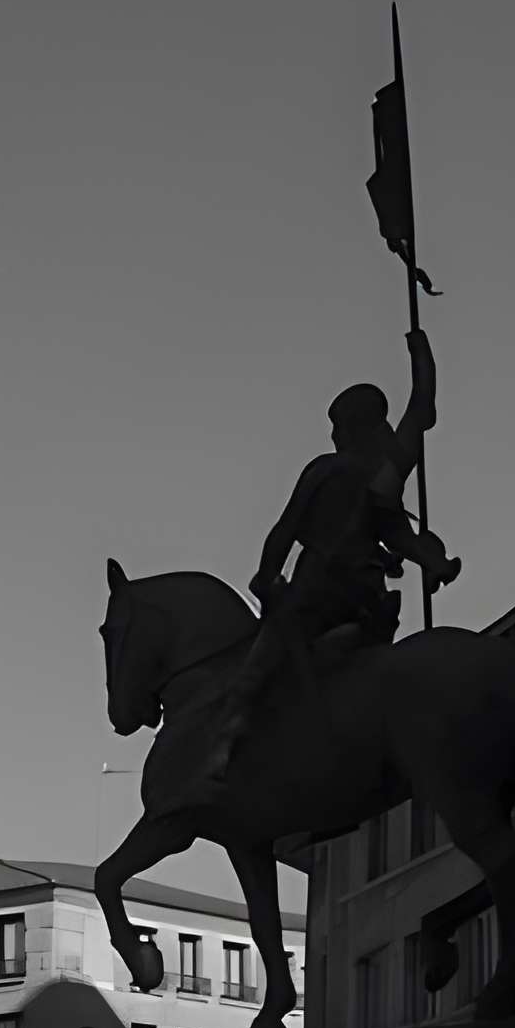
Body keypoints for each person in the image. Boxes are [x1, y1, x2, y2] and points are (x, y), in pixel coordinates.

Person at [186, 329, 456, 804]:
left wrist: (266, 575)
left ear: (352, 428)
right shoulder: (385, 473)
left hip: (318, 595)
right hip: (370, 603)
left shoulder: (327, 469)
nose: (333, 435)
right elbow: (421, 415)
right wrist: (421, 356)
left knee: (256, 666)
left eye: (339, 427)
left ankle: (222, 752)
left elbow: (286, 528)